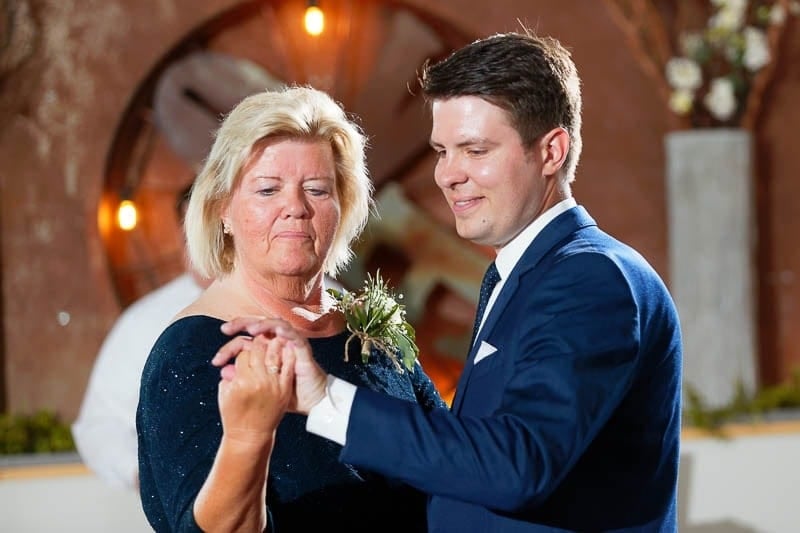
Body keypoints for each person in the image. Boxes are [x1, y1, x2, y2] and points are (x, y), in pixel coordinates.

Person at [218, 30, 683, 532]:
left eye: (475, 150)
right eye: (442, 151)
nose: (448, 175)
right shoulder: (523, 271)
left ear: (551, 152)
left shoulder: (591, 279)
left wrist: (322, 397)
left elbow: (516, 466)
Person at [136, 86, 445, 532]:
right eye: (267, 190)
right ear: (223, 209)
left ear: (343, 206)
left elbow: (448, 463)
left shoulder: (366, 329)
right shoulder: (193, 350)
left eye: (317, 189)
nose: (295, 208)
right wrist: (249, 437)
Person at [72, 185, 209, 490]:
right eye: (191, 235)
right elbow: (101, 424)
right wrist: (150, 476)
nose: (201, 247)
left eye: (212, 232)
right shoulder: (144, 322)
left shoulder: (317, 304)